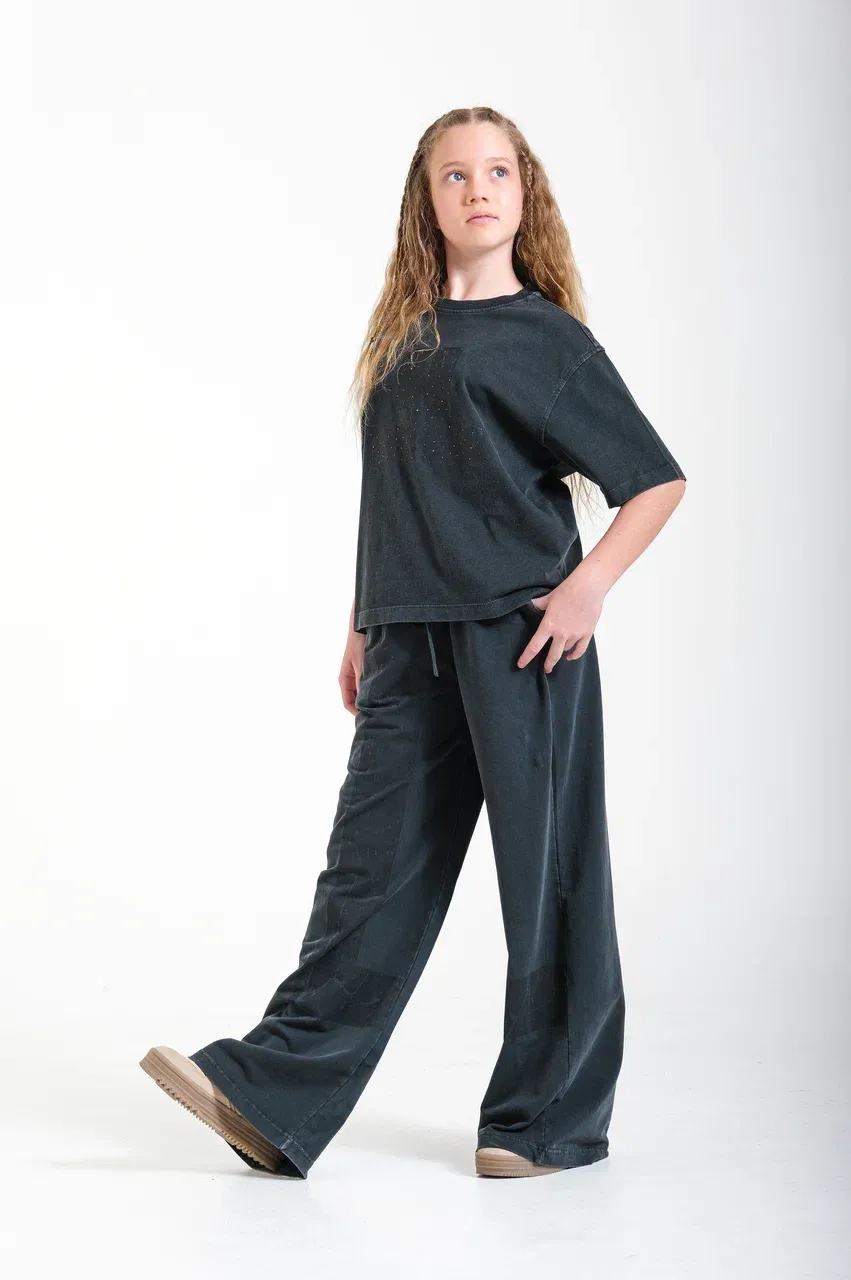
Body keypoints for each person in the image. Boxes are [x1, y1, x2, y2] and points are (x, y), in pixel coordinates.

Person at [140, 106, 687, 1180]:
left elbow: (655, 480)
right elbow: (391, 489)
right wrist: (362, 618)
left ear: (524, 195)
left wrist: (586, 588)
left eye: (497, 172)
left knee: (548, 877)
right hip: (405, 637)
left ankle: (549, 1120)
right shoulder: (403, 338)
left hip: (522, 638)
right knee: (368, 873)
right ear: (425, 202)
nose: (477, 190)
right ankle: (275, 1093)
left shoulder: (549, 340)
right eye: (454, 175)